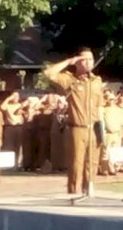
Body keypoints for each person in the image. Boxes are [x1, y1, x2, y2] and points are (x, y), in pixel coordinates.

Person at [44, 47, 103, 195]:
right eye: (84, 60)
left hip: (93, 128)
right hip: (77, 128)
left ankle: (88, 191)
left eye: (91, 59)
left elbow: (99, 107)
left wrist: (102, 132)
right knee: (76, 164)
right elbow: (49, 73)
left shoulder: (96, 81)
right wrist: (70, 61)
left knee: (92, 163)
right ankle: (74, 193)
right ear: (77, 62)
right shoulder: (70, 79)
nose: (88, 63)